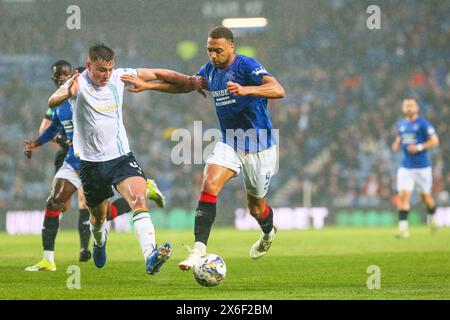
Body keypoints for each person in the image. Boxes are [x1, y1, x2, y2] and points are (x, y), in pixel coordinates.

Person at [121, 26, 285, 270]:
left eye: (218, 50)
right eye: (209, 50)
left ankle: (268, 232)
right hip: (230, 141)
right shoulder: (209, 70)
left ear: (232, 47)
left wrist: (247, 89)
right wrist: (149, 86)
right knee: (209, 183)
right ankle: (198, 250)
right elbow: (186, 85)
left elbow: (278, 89)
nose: (213, 55)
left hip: (259, 145)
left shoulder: (247, 66)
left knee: (256, 207)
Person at [47, 44, 204, 275]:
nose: (106, 75)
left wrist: (190, 80)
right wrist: (68, 92)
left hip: (121, 159)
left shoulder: (119, 77)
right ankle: (99, 243)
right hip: (90, 166)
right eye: (101, 70)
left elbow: (158, 73)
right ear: (89, 65)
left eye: (109, 69)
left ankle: (150, 255)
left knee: (139, 199)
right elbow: (53, 100)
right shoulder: (76, 84)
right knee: (98, 220)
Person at [24, 63, 165, 272]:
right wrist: (36, 143)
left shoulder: (89, 96)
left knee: (97, 213)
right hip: (73, 161)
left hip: (96, 162)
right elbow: (55, 125)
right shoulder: (62, 102)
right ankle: (49, 259)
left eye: (65, 75)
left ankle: (88, 248)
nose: (61, 79)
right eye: (56, 77)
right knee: (56, 202)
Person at [392, 98, 440, 238]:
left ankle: (432, 219)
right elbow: (400, 138)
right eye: (406, 105)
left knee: (425, 197)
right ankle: (403, 230)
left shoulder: (423, 124)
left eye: (411, 105)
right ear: (403, 108)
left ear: (417, 108)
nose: (409, 108)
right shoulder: (401, 124)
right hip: (406, 167)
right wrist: (396, 144)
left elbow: (435, 141)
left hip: (422, 167)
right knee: (403, 196)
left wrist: (419, 147)